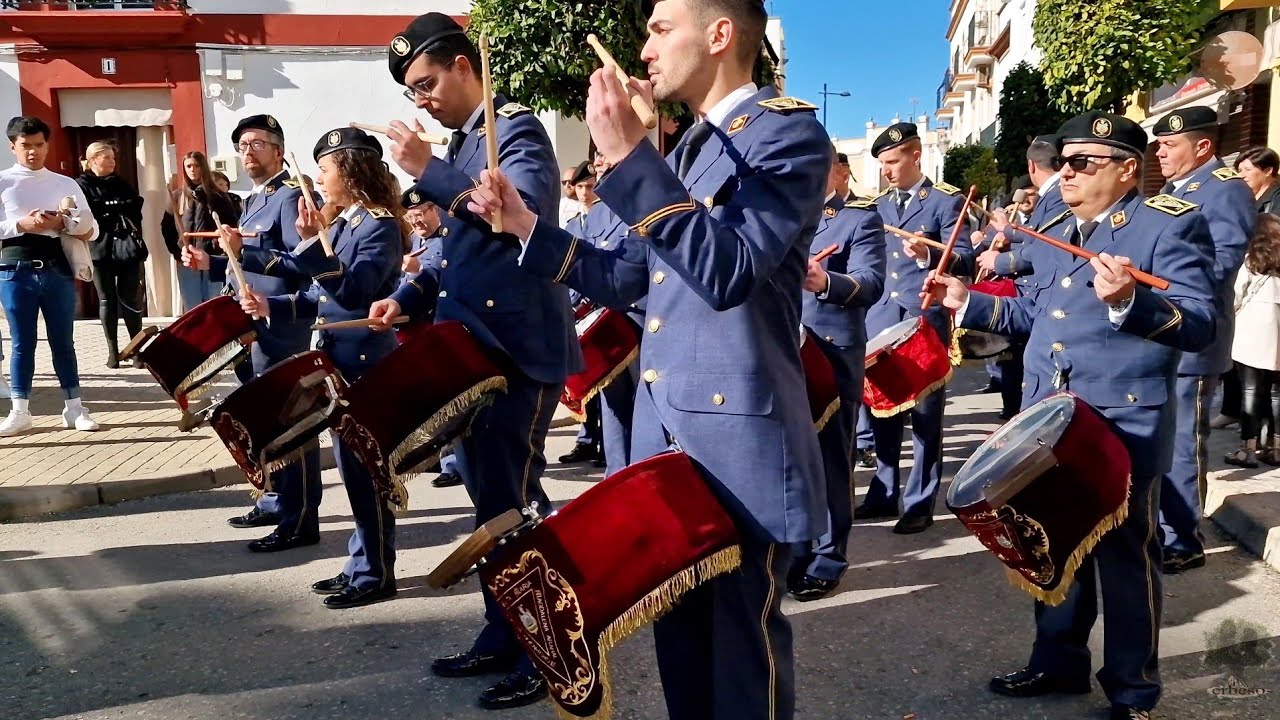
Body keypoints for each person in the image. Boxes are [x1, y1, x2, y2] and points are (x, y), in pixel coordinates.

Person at [461, 0, 829, 716]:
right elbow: (629, 277)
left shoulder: (787, 135)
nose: (645, 46)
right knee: (683, 657)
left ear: (719, 35)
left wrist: (632, 158)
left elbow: (730, 272)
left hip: (738, 443)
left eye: (662, 28)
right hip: (669, 443)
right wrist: (524, 225)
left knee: (741, 663)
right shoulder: (688, 150)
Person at [925, 110, 1216, 720]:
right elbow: (1032, 316)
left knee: (1124, 558)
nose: (1067, 173)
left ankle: (1134, 689)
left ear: (1127, 169)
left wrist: (1132, 302)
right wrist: (967, 301)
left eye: (1083, 162)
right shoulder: (1060, 226)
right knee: (1052, 543)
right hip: (1049, 416)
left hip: (1120, 421)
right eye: (1064, 162)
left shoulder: (1167, 227)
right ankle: (1057, 662)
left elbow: (1199, 324)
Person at [371, 13, 579, 709]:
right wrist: (409, 293)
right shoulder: (464, 142)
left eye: (426, 82)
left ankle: (549, 646)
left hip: (517, 352)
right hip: (476, 357)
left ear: (465, 65)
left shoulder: (512, 128)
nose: (421, 99)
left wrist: (427, 171)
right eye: (411, 91)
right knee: (491, 503)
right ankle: (505, 630)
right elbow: (455, 251)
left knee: (515, 507)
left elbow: (509, 213)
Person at [231, 127, 405, 609]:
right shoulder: (346, 225)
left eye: (326, 170)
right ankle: (360, 561)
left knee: (366, 471)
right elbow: (319, 295)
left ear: (350, 171)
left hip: (365, 363)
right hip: (338, 359)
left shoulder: (379, 224)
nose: (320, 180)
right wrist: (272, 307)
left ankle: (376, 571)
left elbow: (355, 291)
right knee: (352, 470)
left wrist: (312, 245)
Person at [185, 115, 324, 554]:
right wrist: (214, 265)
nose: (248, 152)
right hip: (250, 325)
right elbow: (242, 260)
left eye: (258, 144)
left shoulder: (292, 197)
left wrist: (249, 253)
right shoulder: (253, 200)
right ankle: (275, 498)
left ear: (279, 151)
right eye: (242, 145)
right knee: (264, 421)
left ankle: (300, 518)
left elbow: (303, 263)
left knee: (290, 423)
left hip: (281, 325)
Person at [1152, 106, 1255, 576]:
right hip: (1161, 330)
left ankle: (1183, 538)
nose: (1160, 151)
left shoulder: (1226, 190)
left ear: (1203, 147)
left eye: (1169, 144)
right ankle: (1158, 527)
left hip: (1193, 337)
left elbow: (1221, 262)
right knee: (1158, 438)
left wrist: (1156, 283)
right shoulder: (1173, 191)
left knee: (1181, 442)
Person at [861, 120, 973, 535]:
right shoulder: (877, 206)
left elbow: (966, 259)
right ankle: (884, 490)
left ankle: (920, 500)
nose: (886, 171)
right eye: (882, 164)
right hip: (881, 318)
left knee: (926, 415)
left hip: (923, 320)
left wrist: (930, 255)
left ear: (915, 155)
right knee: (883, 410)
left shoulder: (946, 201)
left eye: (892, 161)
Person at [790, 144, 886, 601]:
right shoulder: (785, 214)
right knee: (790, 452)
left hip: (830, 349)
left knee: (831, 456)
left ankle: (829, 556)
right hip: (784, 347)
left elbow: (870, 281)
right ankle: (794, 546)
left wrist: (825, 282)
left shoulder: (858, 218)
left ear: (837, 172)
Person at [0, 116, 100, 435]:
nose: (33, 152)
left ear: (47, 145)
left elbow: (91, 229)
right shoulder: (3, 182)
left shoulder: (65, 183)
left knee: (63, 340)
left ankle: (74, 407)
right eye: (25, 146)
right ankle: (20, 410)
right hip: (14, 269)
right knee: (21, 341)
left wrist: (62, 223)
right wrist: (20, 225)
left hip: (56, 267)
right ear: (12, 147)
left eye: (39, 145)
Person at [400, 189, 464, 489]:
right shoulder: (415, 242)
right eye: (411, 216)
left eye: (422, 213)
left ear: (435, 210)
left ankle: (454, 462)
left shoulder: (449, 238)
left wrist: (417, 271)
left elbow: (435, 274)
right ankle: (437, 454)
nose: (417, 221)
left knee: (450, 400)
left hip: (444, 325)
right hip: (418, 327)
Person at [76, 141, 147, 369]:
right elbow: (87, 214)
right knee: (106, 299)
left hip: (126, 248)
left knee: (130, 298)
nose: (112, 162)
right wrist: (114, 207)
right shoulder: (81, 184)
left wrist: (112, 207)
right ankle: (112, 351)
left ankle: (136, 349)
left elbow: (135, 208)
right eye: (106, 157)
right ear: (93, 159)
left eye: (113, 158)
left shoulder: (121, 183)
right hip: (99, 250)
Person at [560, 161, 609, 468]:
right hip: (579, 311)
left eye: (589, 186)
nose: (584, 192)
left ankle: (608, 444)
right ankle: (587, 439)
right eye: (579, 187)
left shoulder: (609, 217)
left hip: (605, 308)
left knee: (605, 379)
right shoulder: (572, 227)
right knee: (584, 381)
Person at [1225, 213, 1280, 468]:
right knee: (1277, 393)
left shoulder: (1251, 261)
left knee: (1250, 390)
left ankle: (1248, 448)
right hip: (1277, 332)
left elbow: (1236, 295)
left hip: (1252, 332)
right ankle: (1276, 447)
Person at [175, 151, 233, 310]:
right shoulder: (178, 197)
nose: (192, 169)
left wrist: (216, 247)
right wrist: (177, 250)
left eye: (197, 165)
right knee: (192, 309)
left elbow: (230, 225)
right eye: (188, 166)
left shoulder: (218, 196)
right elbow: (166, 226)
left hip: (211, 259)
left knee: (213, 306)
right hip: (187, 260)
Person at [1235, 146, 1280, 215]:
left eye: (1248, 169)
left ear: (1268, 171)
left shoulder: (1277, 198)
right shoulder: (1240, 197)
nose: (1241, 175)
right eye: (1239, 171)